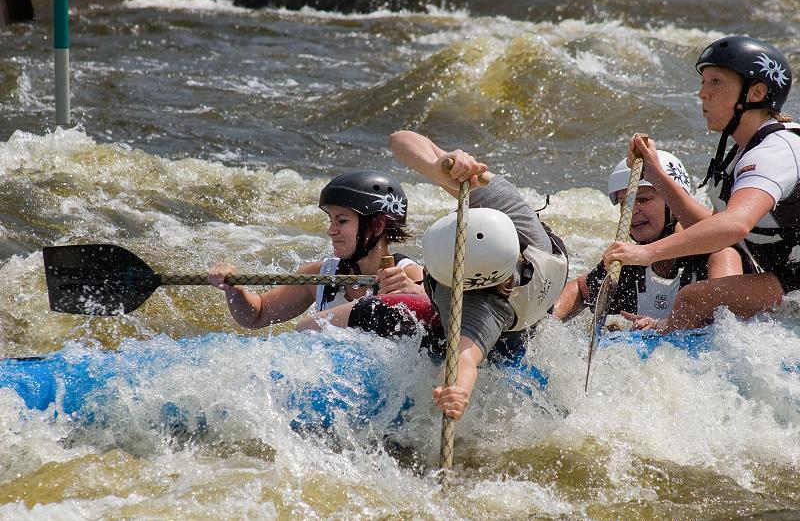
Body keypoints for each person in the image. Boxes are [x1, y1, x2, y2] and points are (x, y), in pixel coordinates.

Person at [603, 35, 800, 332]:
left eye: (716, 82)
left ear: (757, 92)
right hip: (790, 276)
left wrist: (645, 253)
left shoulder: (776, 150)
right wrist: (656, 174)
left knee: (695, 299)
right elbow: (716, 227)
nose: (702, 93)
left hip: (792, 278)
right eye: (703, 82)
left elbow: (734, 226)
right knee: (700, 300)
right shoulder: (741, 152)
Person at [389, 130, 569, 420]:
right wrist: (444, 165)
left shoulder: (483, 308)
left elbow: (464, 359)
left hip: (520, 327)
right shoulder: (495, 199)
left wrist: (457, 391)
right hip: (527, 294)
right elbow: (400, 139)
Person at [208, 170, 428, 333]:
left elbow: (446, 320)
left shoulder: (411, 275)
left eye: (341, 221)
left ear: (377, 226)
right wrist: (234, 290)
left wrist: (414, 293)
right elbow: (257, 316)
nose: (331, 230)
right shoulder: (319, 275)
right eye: (330, 220)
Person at [553, 151, 748, 328]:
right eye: (624, 203)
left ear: (674, 204)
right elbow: (580, 290)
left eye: (643, 200)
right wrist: (547, 320)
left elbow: (726, 317)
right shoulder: (628, 263)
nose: (632, 210)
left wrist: (663, 325)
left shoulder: (718, 253)